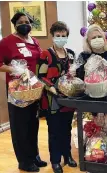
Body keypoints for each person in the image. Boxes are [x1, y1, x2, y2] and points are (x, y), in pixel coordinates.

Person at [0, 12, 47, 172]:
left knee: (32, 125)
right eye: (21, 22)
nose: (24, 24)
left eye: (27, 21)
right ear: (15, 24)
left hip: (33, 91)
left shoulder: (33, 41)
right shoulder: (7, 42)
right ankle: (24, 161)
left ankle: (34, 156)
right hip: (18, 92)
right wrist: (15, 69)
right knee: (20, 127)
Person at [36, 21, 77, 173]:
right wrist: (51, 87)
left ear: (67, 37)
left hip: (68, 99)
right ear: (53, 36)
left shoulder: (71, 54)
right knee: (54, 131)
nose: (60, 38)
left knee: (67, 129)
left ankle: (68, 156)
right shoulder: (46, 54)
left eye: (63, 36)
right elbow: (40, 76)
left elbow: (74, 74)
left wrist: (74, 74)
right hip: (52, 100)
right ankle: (55, 161)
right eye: (57, 35)